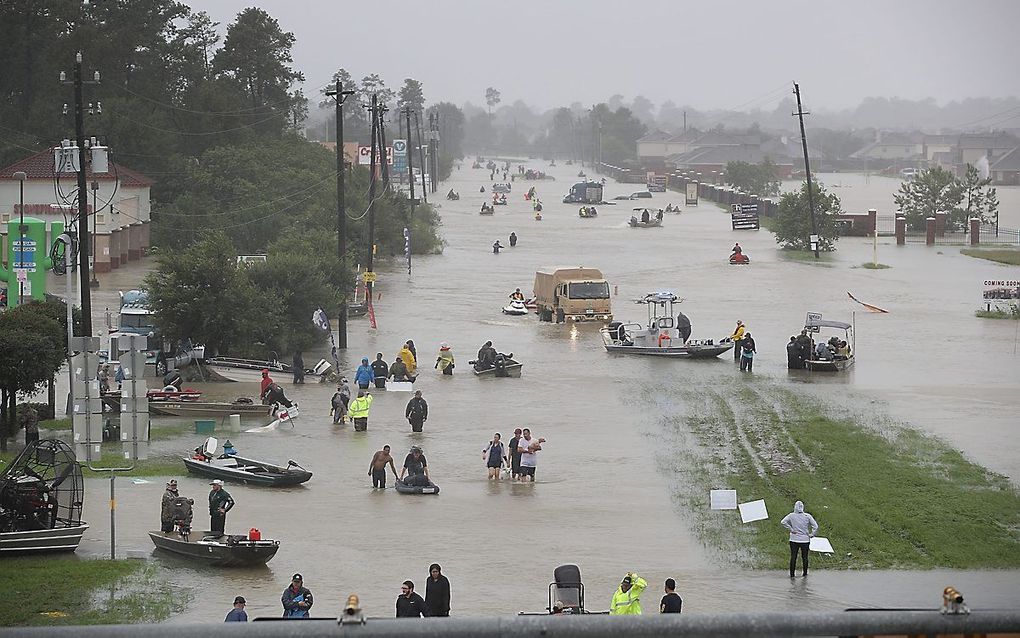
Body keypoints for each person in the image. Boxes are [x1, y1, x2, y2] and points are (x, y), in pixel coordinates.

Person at [781, 500, 819, 577]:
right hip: (805, 540)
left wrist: (791, 529)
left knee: (793, 557)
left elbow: (783, 522)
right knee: (805, 557)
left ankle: (792, 574)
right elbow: (815, 526)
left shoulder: (791, 515)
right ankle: (804, 574)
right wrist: (812, 534)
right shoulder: (807, 516)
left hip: (793, 539)